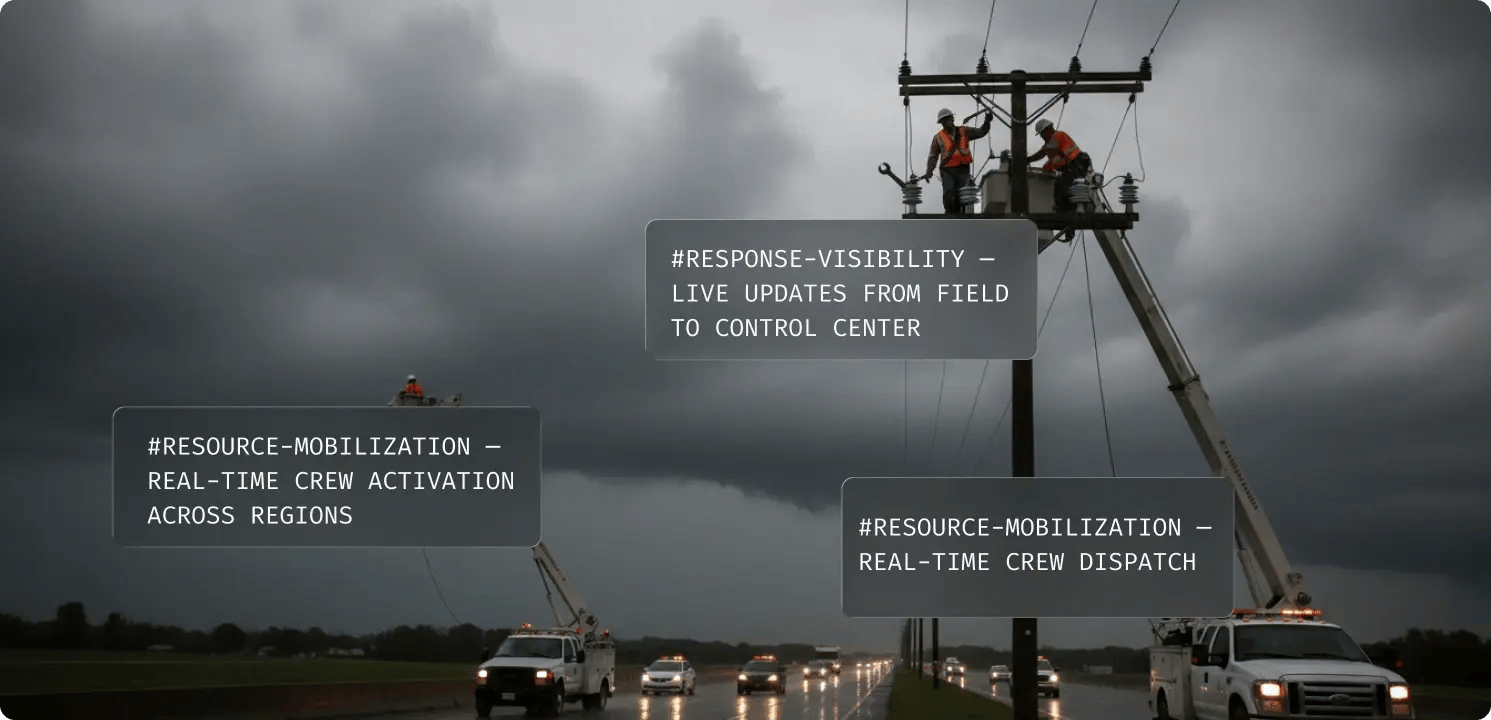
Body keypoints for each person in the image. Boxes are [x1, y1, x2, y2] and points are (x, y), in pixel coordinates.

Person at [923, 107, 993, 214]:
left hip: (963, 169)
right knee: (950, 196)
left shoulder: (964, 131)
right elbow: (933, 156)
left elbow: (982, 131)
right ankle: (951, 217)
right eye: (946, 119)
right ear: (941, 122)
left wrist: (987, 120)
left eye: (950, 118)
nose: (949, 120)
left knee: (965, 197)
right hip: (947, 171)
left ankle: (964, 217)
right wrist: (929, 171)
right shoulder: (938, 138)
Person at [1027, 118, 1090, 216]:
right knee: (1060, 190)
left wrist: (1028, 160)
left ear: (1047, 130)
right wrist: (1029, 159)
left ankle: (1070, 211)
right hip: (1073, 166)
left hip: (1076, 164)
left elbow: (1043, 153)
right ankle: (1067, 211)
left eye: (1042, 134)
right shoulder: (1052, 142)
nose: (1041, 137)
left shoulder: (1058, 136)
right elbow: (1043, 154)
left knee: (1064, 188)